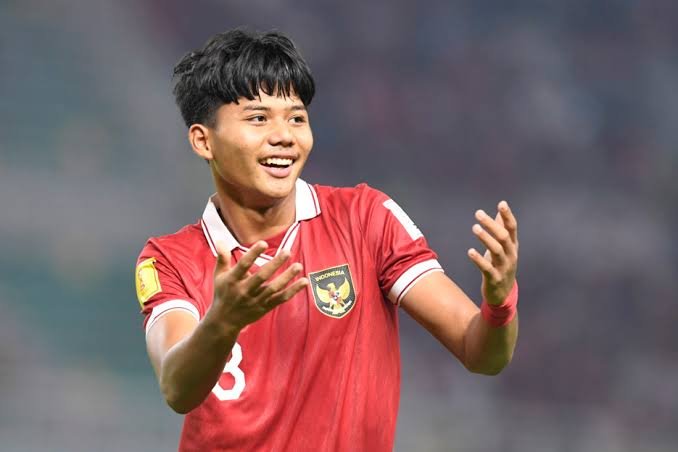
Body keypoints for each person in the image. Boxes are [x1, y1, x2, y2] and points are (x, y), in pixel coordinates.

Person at [135, 29, 519, 451]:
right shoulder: (168, 259)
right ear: (203, 140)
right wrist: (223, 322)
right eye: (258, 118)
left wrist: (499, 303)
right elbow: (177, 388)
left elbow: (482, 355)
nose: (284, 136)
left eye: (296, 118)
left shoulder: (366, 219)